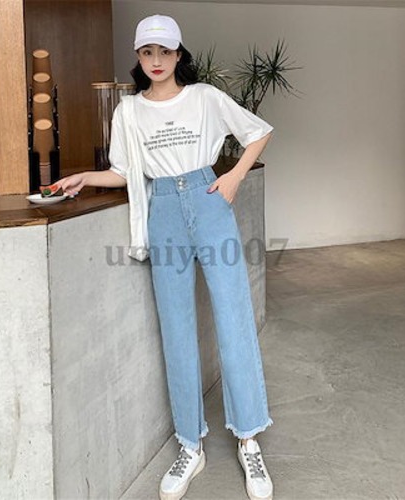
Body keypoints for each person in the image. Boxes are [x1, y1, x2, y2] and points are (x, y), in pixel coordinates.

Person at [57, 14, 274, 500]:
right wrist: (85, 177)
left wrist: (234, 176)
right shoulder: (129, 111)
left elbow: (258, 132)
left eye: (165, 51)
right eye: (146, 52)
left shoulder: (204, 98)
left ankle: (248, 438)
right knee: (176, 327)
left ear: (179, 54)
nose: (156, 60)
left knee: (233, 316)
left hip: (208, 198)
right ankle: (190, 445)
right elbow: (124, 172)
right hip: (164, 212)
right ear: (138, 57)